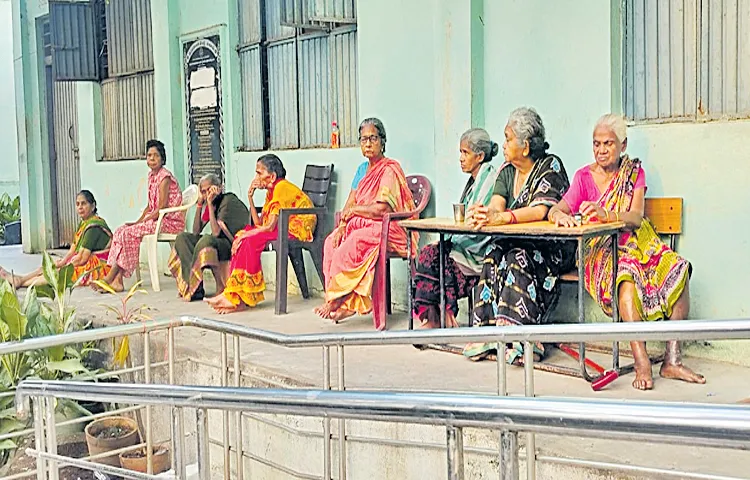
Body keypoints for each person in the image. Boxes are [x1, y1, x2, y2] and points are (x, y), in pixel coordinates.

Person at [548, 113, 705, 390]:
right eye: (596, 144)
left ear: (623, 145)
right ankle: (641, 360)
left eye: (608, 143)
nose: (601, 150)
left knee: (677, 268)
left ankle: (672, 359)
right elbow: (557, 208)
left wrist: (605, 212)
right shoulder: (583, 177)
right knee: (628, 276)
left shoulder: (634, 173)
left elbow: (634, 217)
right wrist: (560, 216)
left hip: (638, 242)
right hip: (599, 251)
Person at [462, 107, 574, 364]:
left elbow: (541, 210)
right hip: (515, 240)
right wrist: (484, 214)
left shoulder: (550, 166)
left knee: (516, 257)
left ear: (525, 147)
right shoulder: (507, 171)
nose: (503, 145)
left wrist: (504, 218)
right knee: (493, 254)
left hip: (550, 248)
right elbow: (497, 207)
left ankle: (523, 339)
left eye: (508, 138)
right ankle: (489, 334)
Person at [314, 117, 417, 330]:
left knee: (356, 241)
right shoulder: (362, 170)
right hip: (363, 224)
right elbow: (350, 203)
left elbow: (382, 210)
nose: (368, 143)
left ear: (383, 141)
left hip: (390, 228)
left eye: (373, 138)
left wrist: (354, 212)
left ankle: (340, 299)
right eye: (363, 139)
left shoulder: (389, 169)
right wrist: (343, 224)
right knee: (332, 241)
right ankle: (345, 300)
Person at [412, 128, 500, 329]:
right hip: (465, 245)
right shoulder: (474, 180)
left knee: (435, 256)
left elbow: (474, 218)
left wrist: (449, 243)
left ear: (480, 156)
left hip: (479, 249)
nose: (461, 158)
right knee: (430, 252)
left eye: (465, 153)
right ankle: (436, 316)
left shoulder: (489, 178)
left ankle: (443, 316)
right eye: (460, 152)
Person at [205, 154, 316, 314]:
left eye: (259, 173)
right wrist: (250, 197)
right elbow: (259, 224)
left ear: (272, 176)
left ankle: (241, 298)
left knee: (248, 239)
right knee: (242, 235)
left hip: (296, 229)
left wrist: (246, 236)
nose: (256, 177)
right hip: (283, 227)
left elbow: (269, 227)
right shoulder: (271, 191)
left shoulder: (281, 188)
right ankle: (234, 294)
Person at [94, 139, 185, 293]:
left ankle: (110, 278)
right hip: (156, 218)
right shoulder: (151, 176)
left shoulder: (164, 177)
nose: (152, 159)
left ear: (162, 158)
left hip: (169, 221)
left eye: (156, 155)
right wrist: (137, 222)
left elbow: (161, 207)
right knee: (121, 230)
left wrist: (141, 223)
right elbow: (150, 206)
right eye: (149, 155)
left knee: (129, 233)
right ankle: (117, 280)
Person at [0, 190, 112, 289]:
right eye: (77, 204)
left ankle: (21, 281)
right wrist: (62, 262)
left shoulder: (94, 227)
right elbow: (72, 250)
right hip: (84, 260)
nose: (80, 207)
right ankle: (21, 279)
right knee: (51, 266)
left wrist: (65, 266)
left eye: (84, 204)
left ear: (92, 206)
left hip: (98, 267)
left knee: (57, 274)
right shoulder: (84, 224)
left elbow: (82, 259)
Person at [168, 173, 249, 301]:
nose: (207, 194)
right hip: (217, 241)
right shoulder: (210, 204)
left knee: (207, 240)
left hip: (231, 243)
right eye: (203, 192)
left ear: (218, 188)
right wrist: (200, 204)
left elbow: (216, 232)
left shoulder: (227, 200)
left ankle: (220, 286)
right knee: (183, 238)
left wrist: (210, 205)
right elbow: (195, 231)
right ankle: (194, 287)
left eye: (209, 189)